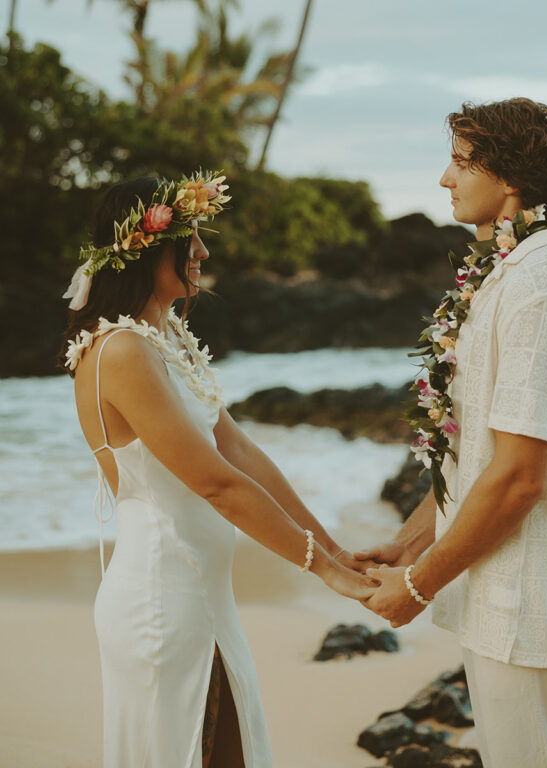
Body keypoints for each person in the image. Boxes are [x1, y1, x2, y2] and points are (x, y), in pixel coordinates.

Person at [60, 171, 374, 768]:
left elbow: (241, 454)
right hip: (162, 599)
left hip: (204, 595)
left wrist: (335, 550)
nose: (202, 251)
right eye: (192, 237)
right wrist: (325, 575)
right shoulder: (122, 351)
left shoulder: (164, 336)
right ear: (147, 246)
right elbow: (216, 484)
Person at [358, 98, 547, 768]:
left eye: (460, 162)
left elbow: (519, 476)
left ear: (508, 179)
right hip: (497, 586)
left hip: (526, 596)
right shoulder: (510, 270)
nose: (445, 179)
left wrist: (418, 587)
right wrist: (409, 543)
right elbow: (473, 450)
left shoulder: (544, 288)